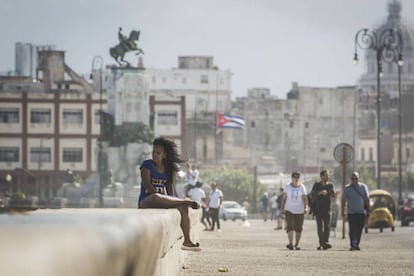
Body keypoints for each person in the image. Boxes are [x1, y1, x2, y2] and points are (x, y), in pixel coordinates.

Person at [138, 137, 201, 252]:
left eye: (158, 153)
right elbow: (147, 186)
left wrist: (173, 201)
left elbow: (170, 189)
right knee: (157, 196)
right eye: (153, 152)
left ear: (164, 155)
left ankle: (187, 241)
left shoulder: (169, 169)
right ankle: (186, 201)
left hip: (162, 201)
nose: (155, 155)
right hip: (147, 201)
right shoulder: (146, 165)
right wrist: (168, 199)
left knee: (182, 207)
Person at [341, 171, 370, 251]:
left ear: (358, 178)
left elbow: (367, 199)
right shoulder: (347, 188)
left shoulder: (363, 187)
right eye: (353, 179)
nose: (354, 181)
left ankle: (356, 243)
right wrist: (343, 211)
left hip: (361, 212)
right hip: (351, 213)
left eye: (356, 179)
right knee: (352, 229)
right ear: (351, 179)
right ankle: (353, 244)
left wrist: (368, 210)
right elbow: (343, 200)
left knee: (359, 229)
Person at [281, 171, 308, 250]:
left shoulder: (302, 187)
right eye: (294, 177)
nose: (296, 179)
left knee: (298, 228)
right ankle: (290, 243)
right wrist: (282, 209)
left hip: (299, 210)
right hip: (289, 209)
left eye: (297, 177)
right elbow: (284, 199)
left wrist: (305, 207)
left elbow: (304, 198)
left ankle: (296, 244)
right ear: (291, 178)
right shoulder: (287, 187)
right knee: (290, 226)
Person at [310, 169, 335, 250]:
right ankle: (321, 243)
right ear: (321, 176)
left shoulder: (330, 185)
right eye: (326, 175)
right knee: (320, 227)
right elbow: (312, 194)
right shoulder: (317, 185)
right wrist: (320, 193)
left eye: (328, 175)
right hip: (318, 209)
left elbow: (332, 194)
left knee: (327, 226)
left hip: (327, 209)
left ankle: (325, 242)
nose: (327, 177)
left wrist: (333, 194)